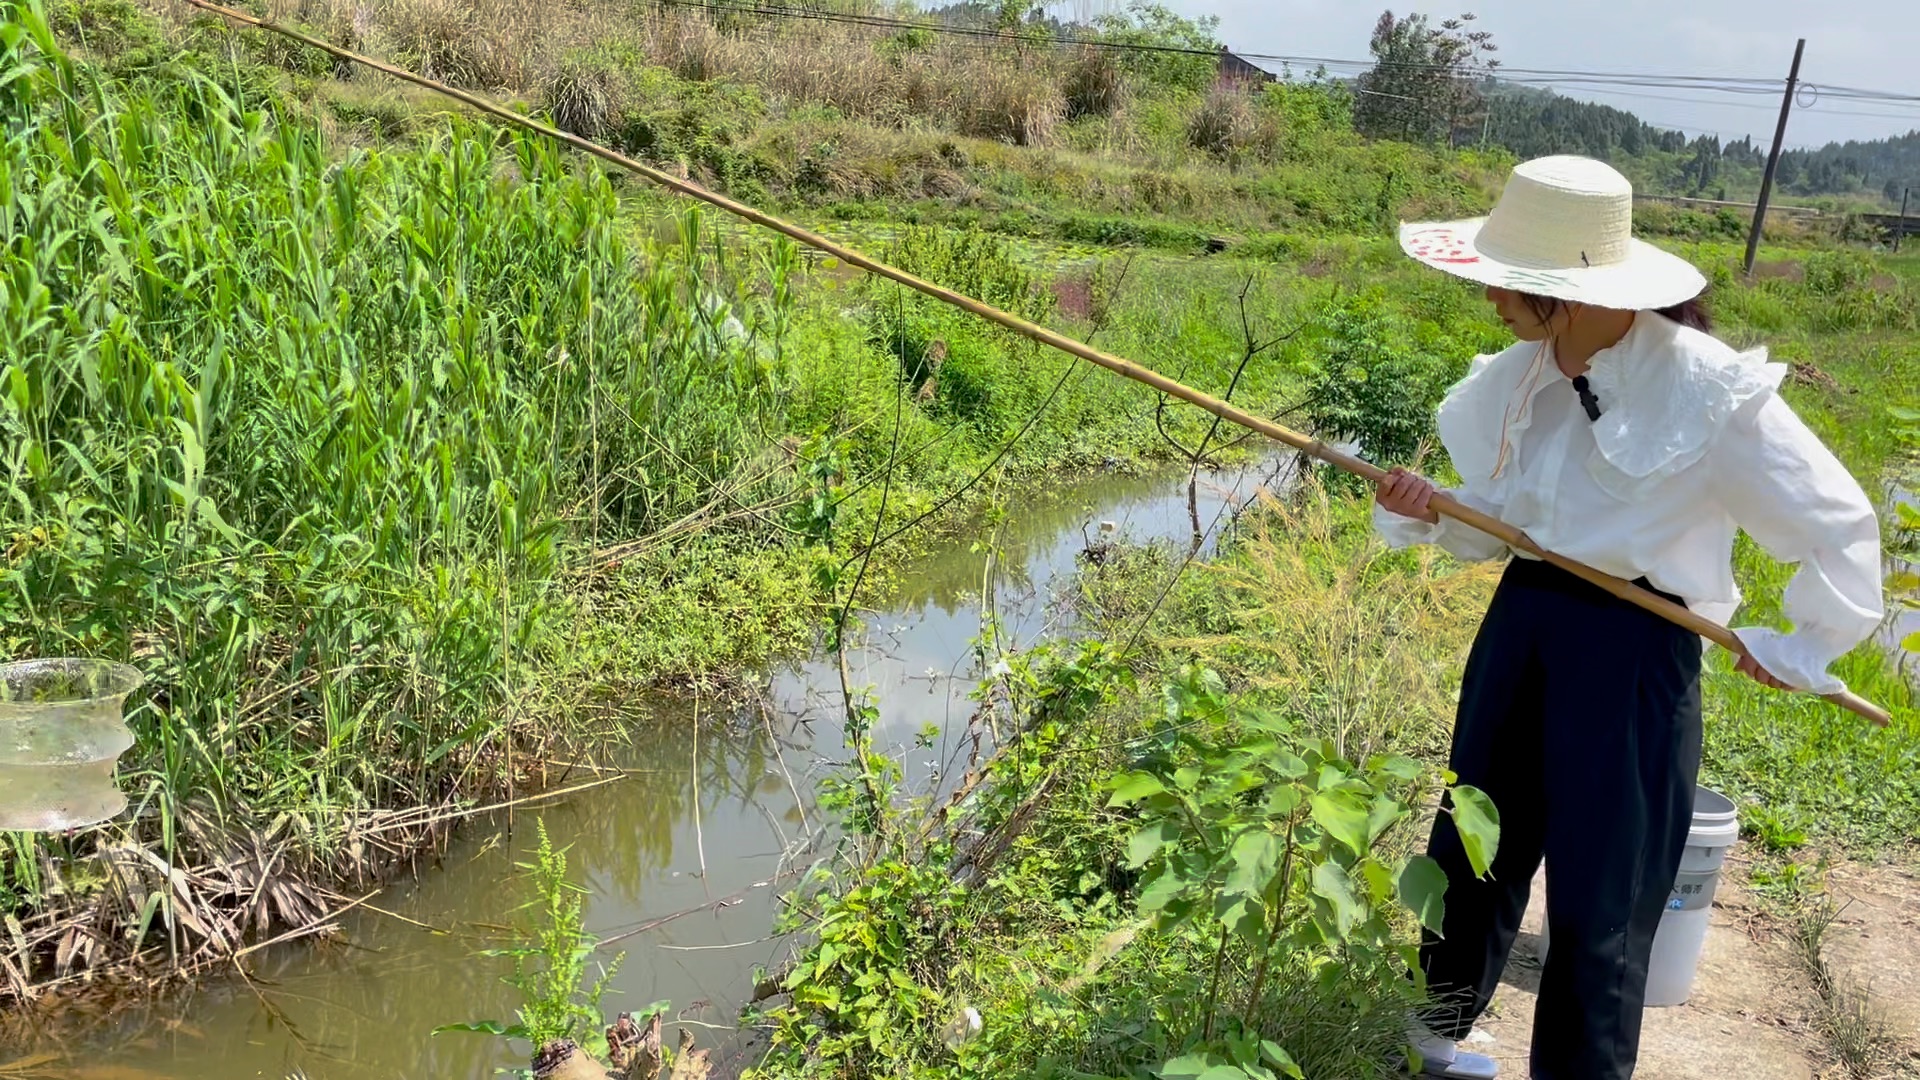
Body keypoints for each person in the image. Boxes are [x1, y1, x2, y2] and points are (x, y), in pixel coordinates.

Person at [1373, 156, 1883, 1080]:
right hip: (1523, 622)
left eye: (1506, 283)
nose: (1490, 300)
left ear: (1560, 288)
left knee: (1606, 882)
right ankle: (1435, 1038)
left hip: (1637, 644)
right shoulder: (1522, 375)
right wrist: (1432, 505)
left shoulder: (1708, 392)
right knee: (1475, 833)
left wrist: (1804, 646)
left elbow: (1837, 524)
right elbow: (1504, 517)